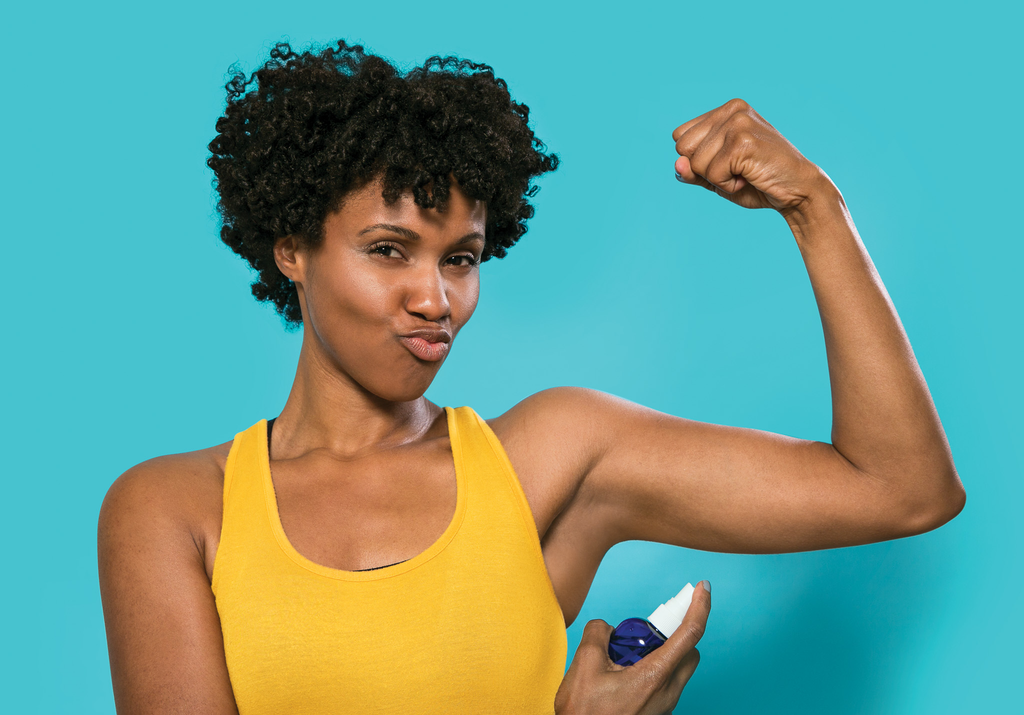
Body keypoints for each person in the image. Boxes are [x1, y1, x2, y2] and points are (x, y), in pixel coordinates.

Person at [97, 39, 965, 715]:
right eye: (388, 250)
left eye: (462, 258)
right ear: (292, 247)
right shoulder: (174, 510)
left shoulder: (546, 461)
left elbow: (900, 487)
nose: (435, 298)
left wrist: (815, 208)